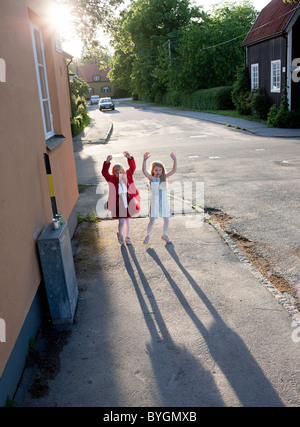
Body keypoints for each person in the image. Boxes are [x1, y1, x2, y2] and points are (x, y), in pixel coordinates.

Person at [102, 151, 140, 245]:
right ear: (114, 173)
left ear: (123, 171)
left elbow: (132, 168)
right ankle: (120, 235)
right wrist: (107, 162)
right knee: (122, 221)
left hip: (127, 200)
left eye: (120, 172)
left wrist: (129, 158)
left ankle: (128, 237)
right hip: (118, 203)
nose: (119, 174)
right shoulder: (112, 179)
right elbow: (104, 173)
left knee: (127, 220)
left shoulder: (127, 176)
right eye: (117, 173)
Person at [142, 152, 177, 244]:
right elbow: (144, 171)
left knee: (166, 220)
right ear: (153, 171)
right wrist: (144, 160)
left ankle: (164, 235)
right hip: (155, 202)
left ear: (162, 171)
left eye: (160, 170)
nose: (158, 172)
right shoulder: (151, 179)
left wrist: (174, 160)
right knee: (152, 221)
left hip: (164, 202)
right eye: (156, 170)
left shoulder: (164, 178)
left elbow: (173, 170)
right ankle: (148, 236)